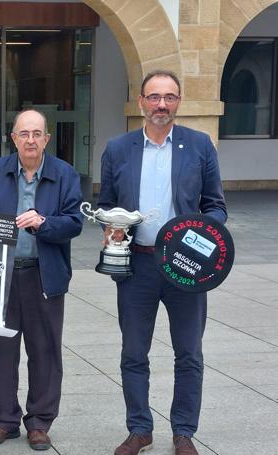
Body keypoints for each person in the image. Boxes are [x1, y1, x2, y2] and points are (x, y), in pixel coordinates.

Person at [97, 70, 227, 455]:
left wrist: (203, 233)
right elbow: (106, 204)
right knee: (134, 352)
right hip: (136, 266)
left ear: (179, 102)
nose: (161, 105)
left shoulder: (199, 145)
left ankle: (184, 431)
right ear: (140, 102)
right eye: (154, 97)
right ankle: (140, 429)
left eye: (169, 97)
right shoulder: (118, 148)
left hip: (186, 268)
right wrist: (110, 227)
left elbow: (215, 206)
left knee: (189, 353)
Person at [0, 108, 83, 451]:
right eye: (24, 134)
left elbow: (75, 223)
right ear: (14, 138)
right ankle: (4, 420)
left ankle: (39, 422)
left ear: (46, 139)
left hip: (43, 275)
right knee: (0, 351)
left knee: (45, 351)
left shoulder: (64, 174)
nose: (31, 140)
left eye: (37, 134)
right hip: (1, 276)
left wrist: (44, 223)